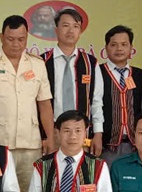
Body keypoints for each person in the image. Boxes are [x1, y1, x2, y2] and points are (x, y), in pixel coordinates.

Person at [0, 15, 56, 192]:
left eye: (21, 39)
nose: (16, 44)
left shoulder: (37, 64)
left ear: (27, 38)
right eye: (10, 39)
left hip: (30, 144)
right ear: (1, 37)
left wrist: (50, 137)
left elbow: (45, 104)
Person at [41, 8, 104, 155]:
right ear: (56, 30)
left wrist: (98, 133)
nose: (71, 31)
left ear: (80, 31)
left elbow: (96, 101)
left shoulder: (90, 63)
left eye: (75, 26)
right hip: (52, 133)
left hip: (81, 134)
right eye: (65, 25)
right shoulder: (42, 61)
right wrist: (46, 136)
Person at [99, 25, 142, 164]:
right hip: (106, 145)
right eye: (113, 44)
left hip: (135, 145)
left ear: (131, 48)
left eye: (124, 44)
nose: (119, 49)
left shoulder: (140, 75)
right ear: (106, 48)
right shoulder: (98, 72)